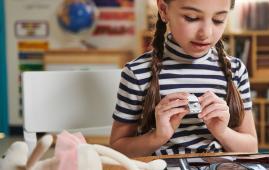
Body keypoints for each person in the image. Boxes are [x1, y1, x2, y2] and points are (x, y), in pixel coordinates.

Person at [110, 0, 258, 157]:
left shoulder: (235, 70)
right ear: (164, 10)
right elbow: (117, 148)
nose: (205, 33)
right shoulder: (138, 73)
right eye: (191, 17)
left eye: (218, 20)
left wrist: (222, 131)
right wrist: (158, 137)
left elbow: (251, 148)